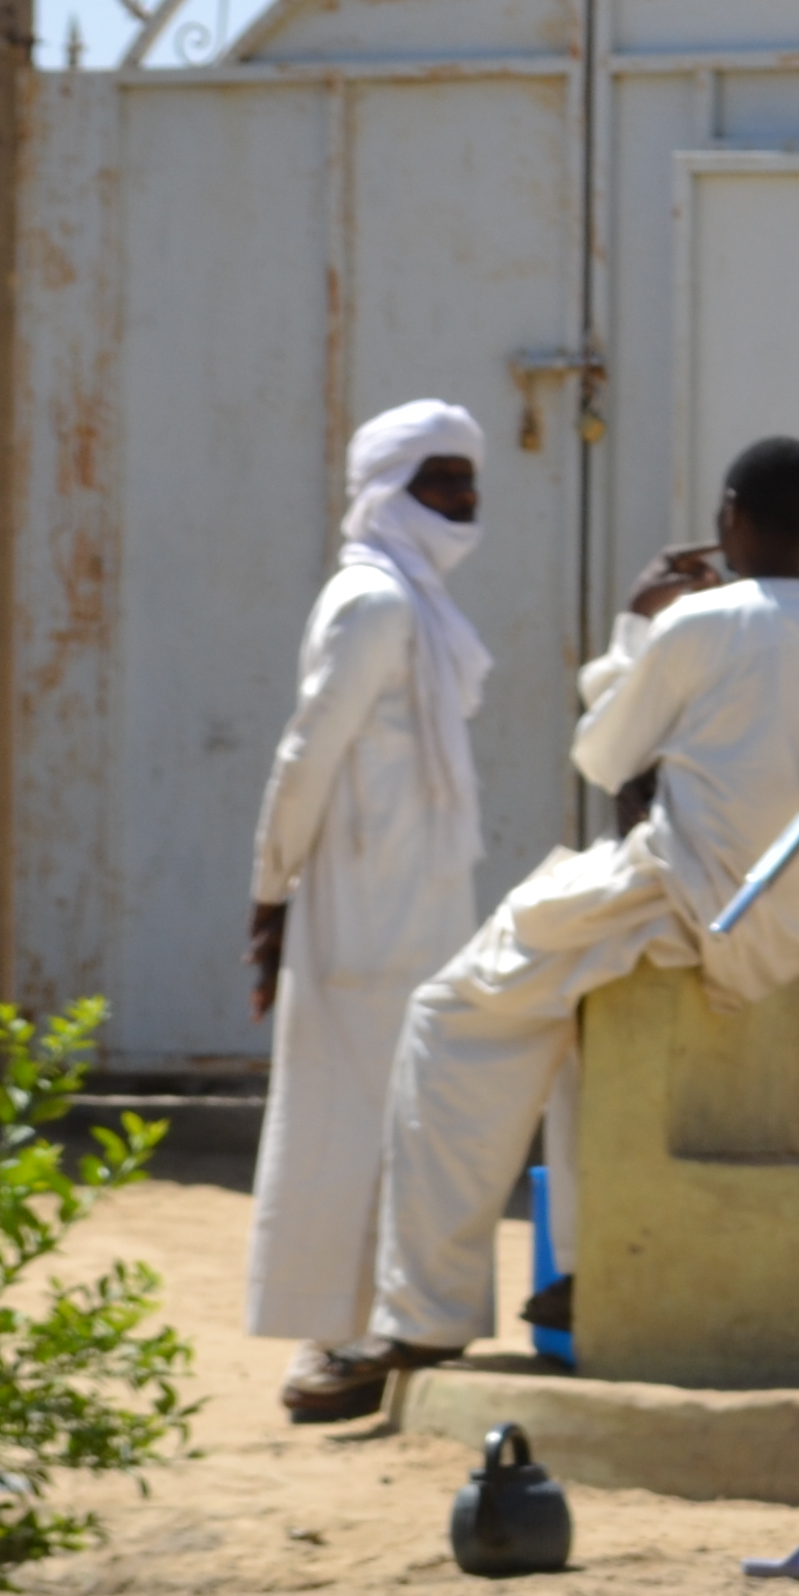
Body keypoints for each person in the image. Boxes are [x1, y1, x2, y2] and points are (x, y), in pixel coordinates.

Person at [356, 434, 799, 1372]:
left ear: (729, 515)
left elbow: (602, 755)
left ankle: (424, 1317)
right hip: (785, 920)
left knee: (447, 1019)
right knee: (569, 1035)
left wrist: (638, 621)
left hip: (675, 897)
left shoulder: (700, 623)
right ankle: (585, 1267)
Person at [247, 399, 492, 1426]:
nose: (462, 500)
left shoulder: (417, 603)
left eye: (467, 481)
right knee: (344, 1123)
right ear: (389, 490)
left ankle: (392, 1325)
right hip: (358, 909)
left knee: (407, 1118)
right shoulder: (375, 601)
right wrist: (271, 892)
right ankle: (334, 1341)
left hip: (415, 907)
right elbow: (306, 755)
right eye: (440, 481)